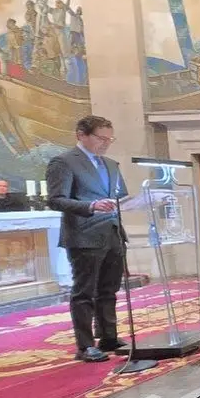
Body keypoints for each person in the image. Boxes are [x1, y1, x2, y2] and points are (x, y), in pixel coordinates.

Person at [46, 115, 129, 363]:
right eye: (100, 138)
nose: (105, 144)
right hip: (84, 235)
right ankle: (85, 345)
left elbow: (120, 196)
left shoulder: (111, 164)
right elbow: (55, 200)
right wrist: (91, 206)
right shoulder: (64, 162)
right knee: (85, 292)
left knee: (109, 289)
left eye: (109, 139)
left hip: (112, 233)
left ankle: (108, 337)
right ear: (81, 135)